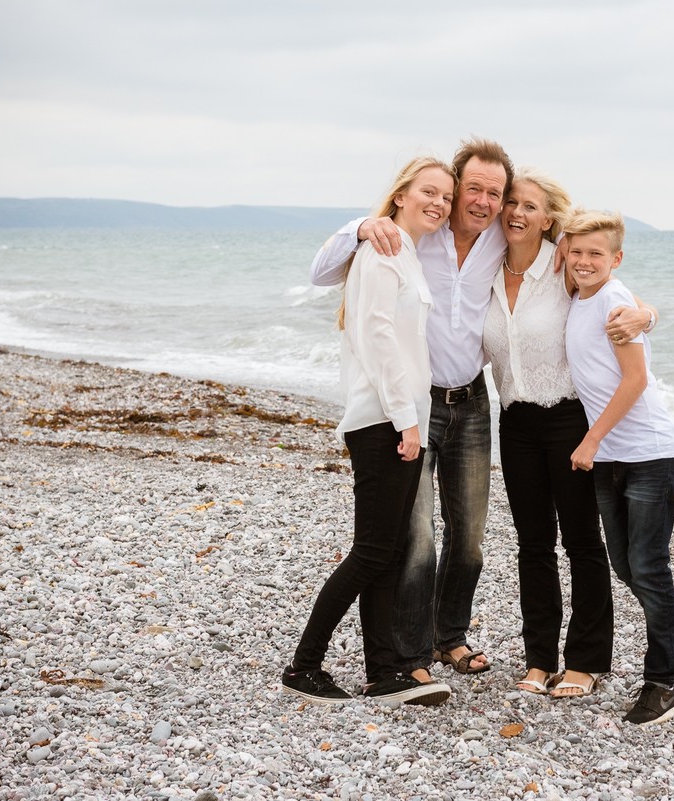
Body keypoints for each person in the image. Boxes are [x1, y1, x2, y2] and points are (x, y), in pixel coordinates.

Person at [309, 138, 655, 683]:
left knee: (469, 541)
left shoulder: (524, 246)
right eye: (476, 189)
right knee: (419, 538)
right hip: (421, 405)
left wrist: (647, 314)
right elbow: (323, 273)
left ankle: (453, 637)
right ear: (452, 188)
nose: (490, 203)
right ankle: (414, 655)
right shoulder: (411, 236)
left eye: (498, 194)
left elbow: (602, 277)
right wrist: (358, 227)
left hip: (475, 403)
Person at [281, 157, 456, 706]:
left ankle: (383, 672)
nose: (439, 203)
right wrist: (406, 418)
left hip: (402, 419)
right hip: (385, 420)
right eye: (430, 191)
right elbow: (378, 337)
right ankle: (305, 666)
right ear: (401, 194)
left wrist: (412, 420)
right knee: (372, 551)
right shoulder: (380, 253)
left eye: (446, 198)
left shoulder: (407, 254)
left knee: (384, 550)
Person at [563, 209, 674, 726]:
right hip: (612, 457)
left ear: (617, 259)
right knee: (627, 566)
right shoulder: (578, 293)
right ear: (566, 251)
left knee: (649, 567)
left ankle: (663, 677)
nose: (585, 261)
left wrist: (589, 440)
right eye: (577, 251)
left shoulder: (614, 302)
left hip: (649, 453)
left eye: (597, 254)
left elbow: (635, 380)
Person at [482, 169, 613, 698]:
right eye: (510, 202)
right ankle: (539, 660)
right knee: (533, 544)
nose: (516, 211)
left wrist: (646, 316)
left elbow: (615, 296)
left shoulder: (563, 267)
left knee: (583, 542)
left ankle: (584, 662)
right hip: (514, 422)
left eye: (529, 206)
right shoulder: (484, 267)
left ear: (549, 218)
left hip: (568, 420)